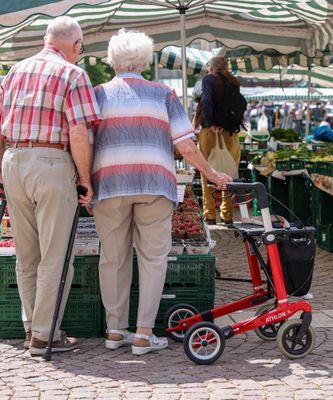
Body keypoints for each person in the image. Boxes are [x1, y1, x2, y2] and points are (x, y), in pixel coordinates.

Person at [91, 30, 232, 355]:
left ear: (112, 60)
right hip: (155, 184)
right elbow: (186, 145)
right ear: (145, 61)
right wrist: (211, 174)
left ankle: (115, 331)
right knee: (153, 259)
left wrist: (85, 183)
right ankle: (142, 335)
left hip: (110, 184)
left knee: (112, 258)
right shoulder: (164, 94)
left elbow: (84, 140)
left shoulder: (98, 95)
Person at [0, 16, 100, 356]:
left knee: (26, 256)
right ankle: (44, 335)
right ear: (74, 46)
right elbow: (78, 131)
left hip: (14, 160)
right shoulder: (73, 74)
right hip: (52, 162)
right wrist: (85, 178)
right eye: (81, 47)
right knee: (55, 256)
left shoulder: (14, 71)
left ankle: (34, 329)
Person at [196, 56, 241, 225]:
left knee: (206, 170)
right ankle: (227, 214)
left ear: (212, 68)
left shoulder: (209, 79)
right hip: (230, 134)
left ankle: (209, 214)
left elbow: (206, 100)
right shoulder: (234, 82)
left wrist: (211, 122)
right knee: (228, 172)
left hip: (209, 132)